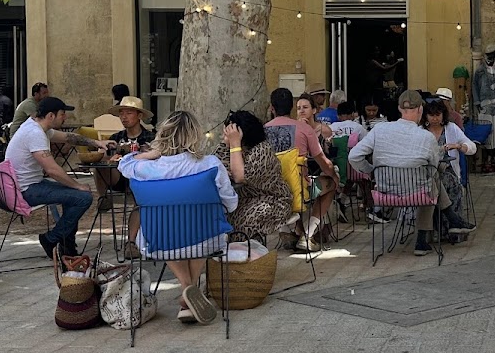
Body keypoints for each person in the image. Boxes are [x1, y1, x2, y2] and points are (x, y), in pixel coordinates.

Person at [118, 110, 238, 326]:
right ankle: (189, 289)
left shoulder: (147, 169)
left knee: (168, 229)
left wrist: (148, 154)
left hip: (160, 243)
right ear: (195, 135)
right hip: (206, 241)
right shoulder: (210, 164)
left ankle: (186, 290)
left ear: (163, 135)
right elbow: (231, 203)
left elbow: (124, 164)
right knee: (202, 227)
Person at [349, 89, 453, 257]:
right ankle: (426, 236)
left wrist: (371, 172)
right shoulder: (426, 137)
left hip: (384, 194)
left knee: (430, 178)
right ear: (420, 109)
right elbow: (433, 167)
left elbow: (354, 156)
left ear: (399, 108)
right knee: (433, 177)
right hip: (418, 194)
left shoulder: (379, 130)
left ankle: (435, 231)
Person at [5, 96, 112, 259]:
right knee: (82, 197)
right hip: (25, 190)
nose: (65, 117)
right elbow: (52, 169)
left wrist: (97, 143)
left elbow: (69, 138)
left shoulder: (38, 127)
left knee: (75, 196)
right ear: (51, 116)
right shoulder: (34, 133)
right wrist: (77, 185)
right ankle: (52, 239)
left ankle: (66, 245)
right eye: (62, 114)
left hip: (28, 185)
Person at [264, 87, 338, 252]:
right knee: (331, 184)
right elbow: (323, 161)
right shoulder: (304, 129)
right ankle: (308, 234)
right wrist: (334, 175)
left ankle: (285, 231)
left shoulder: (263, 131)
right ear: (292, 107)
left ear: (272, 108)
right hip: (300, 190)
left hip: (271, 191)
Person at [217, 110, 292, 242]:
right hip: (241, 198)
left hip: (271, 200)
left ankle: (247, 259)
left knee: (241, 224)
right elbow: (216, 167)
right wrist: (230, 144)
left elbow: (239, 177)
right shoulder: (227, 147)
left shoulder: (262, 151)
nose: (224, 135)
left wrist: (235, 144)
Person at [422, 97, 476, 236]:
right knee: (436, 185)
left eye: (438, 115)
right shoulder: (420, 131)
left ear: (443, 115)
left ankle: (450, 227)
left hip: (447, 169)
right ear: (425, 116)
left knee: (451, 183)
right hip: (425, 172)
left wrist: (458, 146)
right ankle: (451, 224)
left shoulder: (451, 128)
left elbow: (471, 147)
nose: (434, 119)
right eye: (431, 115)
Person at [93, 95, 155, 211]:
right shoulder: (116, 138)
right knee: (99, 166)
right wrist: (108, 155)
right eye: (121, 113)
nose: (124, 117)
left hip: (141, 178)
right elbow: (103, 155)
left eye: (129, 113)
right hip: (118, 178)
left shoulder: (150, 138)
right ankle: (103, 199)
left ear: (139, 116)